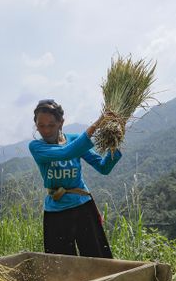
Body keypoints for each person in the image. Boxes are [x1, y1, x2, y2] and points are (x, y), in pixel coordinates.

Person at [29, 99, 121, 258]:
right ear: (36, 125)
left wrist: (115, 143)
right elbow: (66, 153)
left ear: (61, 123)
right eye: (41, 126)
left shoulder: (74, 140)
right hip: (56, 211)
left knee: (97, 257)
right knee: (61, 264)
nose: (46, 130)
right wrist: (97, 124)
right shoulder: (37, 147)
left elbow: (103, 167)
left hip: (83, 206)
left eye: (51, 125)